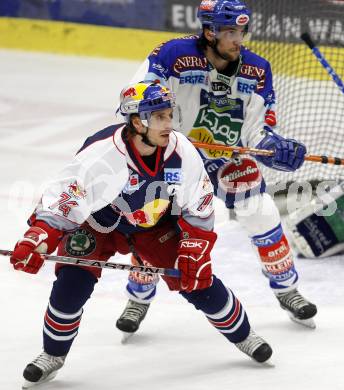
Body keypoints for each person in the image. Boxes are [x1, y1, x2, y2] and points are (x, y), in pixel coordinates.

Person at [10, 82, 273, 389]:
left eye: (168, 114)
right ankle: (52, 355)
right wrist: (38, 237)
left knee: (197, 281)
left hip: (156, 226)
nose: (169, 123)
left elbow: (198, 206)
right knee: (71, 286)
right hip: (99, 225)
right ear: (137, 121)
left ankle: (245, 336)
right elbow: (64, 200)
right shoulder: (101, 154)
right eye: (159, 116)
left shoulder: (181, 152)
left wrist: (195, 248)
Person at [115, 0, 317, 337]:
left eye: (241, 30)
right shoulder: (172, 55)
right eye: (230, 32)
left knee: (262, 211)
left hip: (227, 160)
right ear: (209, 32)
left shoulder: (257, 68)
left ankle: (287, 290)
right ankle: (139, 296)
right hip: (174, 155)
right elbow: (135, 98)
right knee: (153, 220)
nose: (239, 39)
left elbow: (259, 126)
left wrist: (271, 145)